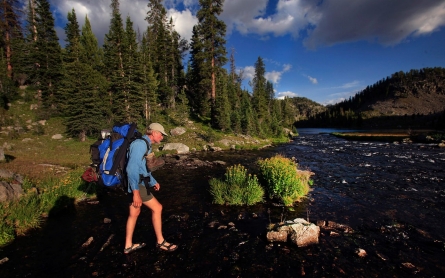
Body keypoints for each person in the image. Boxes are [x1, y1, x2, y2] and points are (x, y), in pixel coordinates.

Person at [124, 123, 178, 254]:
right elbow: (131, 169)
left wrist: (153, 181)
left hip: (137, 183)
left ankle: (128, 245)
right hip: (136, 184)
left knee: (134, 213)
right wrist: (136, 192)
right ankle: (161, 242)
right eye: (161, 134)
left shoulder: (145, 144)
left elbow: (144, 167)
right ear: (153, 133)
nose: (162, 137)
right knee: (158, 208)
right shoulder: (140, 145)